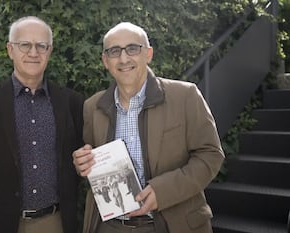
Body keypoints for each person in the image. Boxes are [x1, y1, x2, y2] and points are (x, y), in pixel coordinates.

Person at [72, 22, 225, 233]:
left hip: (172, 225)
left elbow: (211, 155)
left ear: (149, 54)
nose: (124, 59)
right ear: (105, 61)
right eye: (114, 51)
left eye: (133, 48)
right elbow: (91, 161)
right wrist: (82, 164)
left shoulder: (185, 96)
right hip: (110, 227)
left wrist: (163, 191)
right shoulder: (92, 107)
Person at [0, 16, 84, 233]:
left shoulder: (71, 102)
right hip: (0, 222)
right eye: (25, 45)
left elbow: (79, 158)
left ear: (50, 51)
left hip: (55, 222)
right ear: (10, 50)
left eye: (41, 46)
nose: (33, 53)